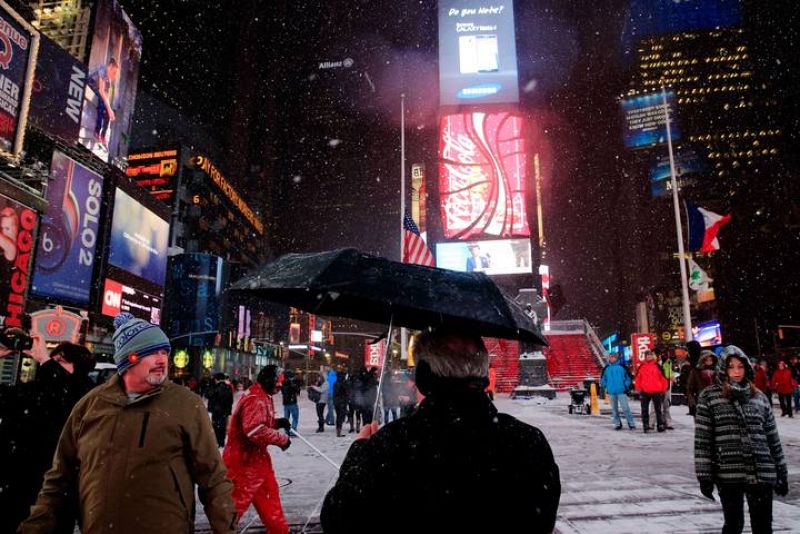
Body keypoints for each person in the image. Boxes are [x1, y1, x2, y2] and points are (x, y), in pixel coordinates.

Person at [320, 327, 561, 533]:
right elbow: (541, 521)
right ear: (483, 375)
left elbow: (338, 521)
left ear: (424, 377)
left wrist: (359, 454)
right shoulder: (527, 442)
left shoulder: (392, 445)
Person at [19, 312, 236, 533]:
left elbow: (214, 479)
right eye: (152, 352)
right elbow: (58, 480)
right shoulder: (89, 406)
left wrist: (227, 529)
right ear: (129, 358)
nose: (162, 359)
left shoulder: (186, 405)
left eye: (164, 352)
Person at [0, 343, 94, 533]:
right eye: (54, 360)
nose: (54, 364)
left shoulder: (85, 398)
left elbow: (67, 394)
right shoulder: (34, 393)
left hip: (53, 499)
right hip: (15, 490)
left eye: (61, 361)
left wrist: (46, 361)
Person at [695, 345, 788, 534]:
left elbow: (772, 438)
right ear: (723, 369)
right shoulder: (709, 397)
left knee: (763, 526)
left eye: (740, 366)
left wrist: (781, 472)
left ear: (747, 368)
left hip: (761, 471)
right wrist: (704, 475)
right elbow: (703, 441)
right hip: (729, 472)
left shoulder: (759, 397)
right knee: (733, 525)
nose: (736, 372)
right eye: (731, 367)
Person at [223, 365, 291, 533]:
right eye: (278, 382)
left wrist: (276, 423)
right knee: (233, 509)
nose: (279, 387)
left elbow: (258, 422)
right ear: (269, 380)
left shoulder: (262, 395)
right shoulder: (256, 398)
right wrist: (281, 439)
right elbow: (254, 430)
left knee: (271, 507)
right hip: (244, 465)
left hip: (258, 464)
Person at [86, 58, 119, 147]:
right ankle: (97, 131)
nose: (114, 75)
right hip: (89, 81)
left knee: (107, 109)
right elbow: (101, 90)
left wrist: (110, 110)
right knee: (102, 102)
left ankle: (103, 135)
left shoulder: (108, 80)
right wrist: (109, 108)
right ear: (110, 67)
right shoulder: (103, 69)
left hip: (96, 89)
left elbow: (106, 96)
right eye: (114, 72)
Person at [600, 353, 636, 430]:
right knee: (614, 409)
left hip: (621, 391)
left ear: (616, 358)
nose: (611, 358)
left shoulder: (623, 367)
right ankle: (617, 424)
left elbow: (628, 378)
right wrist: (606, 386)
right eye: (610, 357)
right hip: (611, 392)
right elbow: (603, 379)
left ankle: (631, 423)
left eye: (613, 357)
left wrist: (625, 386)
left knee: (626, 408)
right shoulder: (606, 368)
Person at [634, 350, 667, 433]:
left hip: (656, 391)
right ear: (645, 357)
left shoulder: (657, 366)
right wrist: (639, 389)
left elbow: (663, 378)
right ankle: (646, 425)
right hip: (645, 391)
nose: (649, 357)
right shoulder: (641, 366)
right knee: (644, 410)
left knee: (658, 410)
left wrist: (663, 389)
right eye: (647, 355)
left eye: (650, 355)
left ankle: (660, 425)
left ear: (652, 356)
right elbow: (637, 379)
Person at [686, 350, 717, 417]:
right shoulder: (696, 371)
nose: (709, 362)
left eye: (710, 360)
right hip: (701, 401)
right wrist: (692, 403)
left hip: (715, 401)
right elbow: (690, 388)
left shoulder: (716, 371)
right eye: (707, 360)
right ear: (702, 360)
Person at [208, 372, 234, 447]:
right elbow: (230, 400)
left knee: (216, 426)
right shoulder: (228, 387)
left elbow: (210, 396)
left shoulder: (215, 387)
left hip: (216, 411)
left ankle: (216, 442)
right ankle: (221, 442)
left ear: (217, 379)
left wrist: (211, 408)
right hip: (224, 411)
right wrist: (228, 411)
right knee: (222, 426)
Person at [333, 370, 350, 437]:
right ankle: (339, 431)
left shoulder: (335, 383)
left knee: (338, 416)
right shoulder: (344, 383)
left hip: (337, 401)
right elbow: (347, 392)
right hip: (342, 401)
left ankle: (338, 431)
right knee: (341, 417)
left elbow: (335, 393)